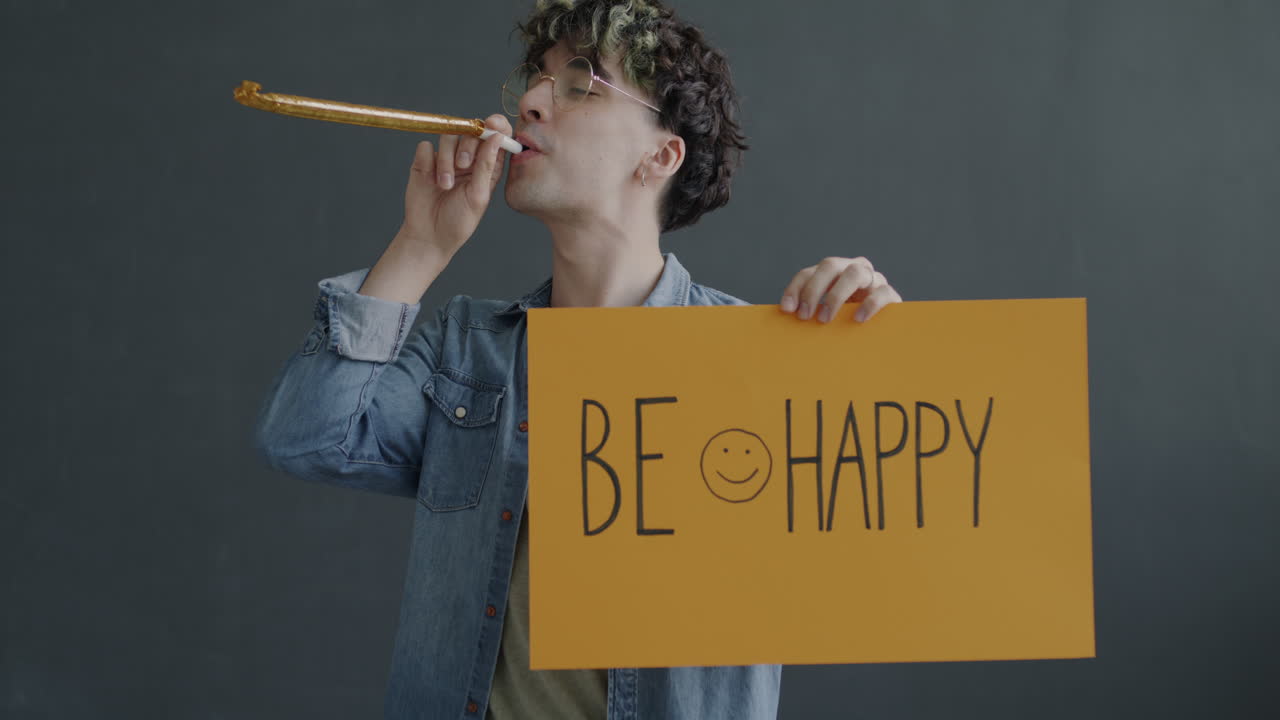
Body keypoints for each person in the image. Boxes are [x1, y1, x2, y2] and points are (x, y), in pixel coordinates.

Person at [252, 1, 902, 717]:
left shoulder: (758, 365)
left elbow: (889, 551)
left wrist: (876, 361)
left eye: (579, 84)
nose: (532, 101)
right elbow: (304, 438)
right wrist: (420, 247)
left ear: (661, 156)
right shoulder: (467, 351)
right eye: (536, 79)